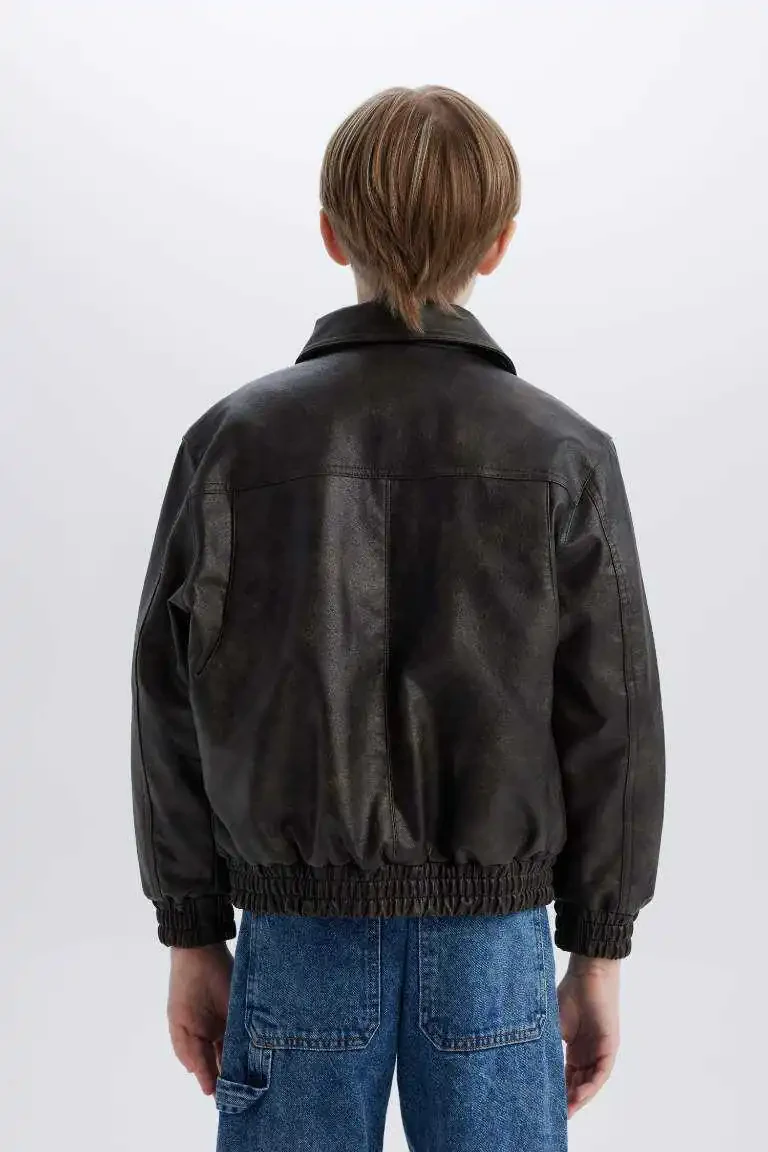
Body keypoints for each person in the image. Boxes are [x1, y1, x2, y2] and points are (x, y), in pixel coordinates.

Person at [130, 84, 665, 1151]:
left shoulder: (231, 445)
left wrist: (191, 931)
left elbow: (168, 704)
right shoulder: (565, 456)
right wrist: (599, 951)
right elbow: (614, 721)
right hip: (491, 950)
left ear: (332, 233)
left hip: (298, 936)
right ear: (500, 244)